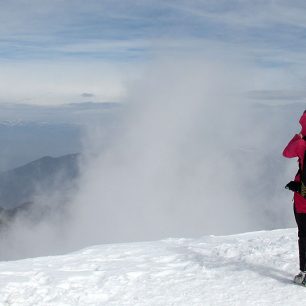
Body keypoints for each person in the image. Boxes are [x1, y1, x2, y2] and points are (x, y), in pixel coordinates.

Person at [283, 110, 306, 285]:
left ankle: (304, 274)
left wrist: (297, 137)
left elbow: (286, 153)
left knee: (304, 235)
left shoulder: (302, 144)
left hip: (303, 201)